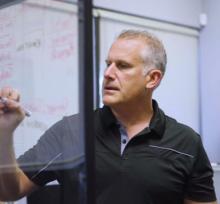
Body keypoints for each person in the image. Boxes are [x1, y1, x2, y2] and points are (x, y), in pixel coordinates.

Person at [0, 30, 217, 204]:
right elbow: (10, 190)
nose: (108, 73)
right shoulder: (71, 131)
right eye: (108, 64)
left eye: (122, 66)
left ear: (152, 79)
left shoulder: (186, 142)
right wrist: (4, 132)